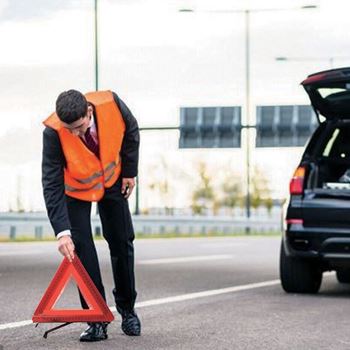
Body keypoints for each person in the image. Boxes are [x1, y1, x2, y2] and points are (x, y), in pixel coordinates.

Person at [42, 89, 141, 342]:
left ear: (88, 112)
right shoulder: (53, 131)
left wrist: (129, 172)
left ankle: (127, 309)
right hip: (76, 189)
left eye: (79, 127)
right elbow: (51, 181)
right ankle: (96, 319)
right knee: (81, 249)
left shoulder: (111, 103)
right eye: (69, 129)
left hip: (112, 180)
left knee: (121, 242)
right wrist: (62, 232)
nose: (74, 134)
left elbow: (131, 131)